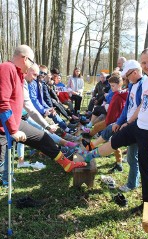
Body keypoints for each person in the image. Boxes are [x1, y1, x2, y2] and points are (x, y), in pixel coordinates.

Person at [82, 48, 148, 210]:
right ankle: (88, 155)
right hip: (136, 125)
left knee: (147, 170)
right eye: (144, 62)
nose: (147, 65)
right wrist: (127, 122)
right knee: (113, 140)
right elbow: (141, 106)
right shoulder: (147, 81)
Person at [0, 44, 86, 187]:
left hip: (15, 123)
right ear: (25, 58)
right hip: (4, 127)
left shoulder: (19, 74)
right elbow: (2, 102)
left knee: (43, 138)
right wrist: (13, 130)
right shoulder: (6, 68)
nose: (33, 67)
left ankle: (66, 164)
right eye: (32, 62)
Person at [83, 60, 144, 181]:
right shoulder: (127, 88)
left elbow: (136, 106)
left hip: (126, 123)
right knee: (113, 141)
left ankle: (90, 149)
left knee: (113, 141)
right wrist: (119, 121)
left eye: (113, 86)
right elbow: (126, 107)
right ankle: (91, 148)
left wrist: (125, 121)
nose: (111, 88)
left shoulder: (135, 87)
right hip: (117, 121)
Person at [28, 65, 77, 134]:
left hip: (43, 107)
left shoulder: (40, 83)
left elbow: (42, 100)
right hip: (34, 110)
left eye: (44, 73)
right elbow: (34, 100)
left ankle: (67, 129)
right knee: (51, 120)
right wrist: (45, 110)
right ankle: (66, 133)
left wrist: (49, 108)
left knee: (55, 109)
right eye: (41, 72)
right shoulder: (33, 83)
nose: (42, 75)